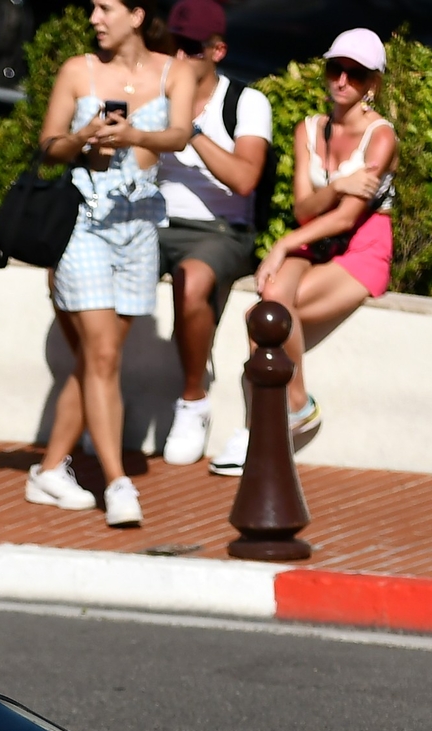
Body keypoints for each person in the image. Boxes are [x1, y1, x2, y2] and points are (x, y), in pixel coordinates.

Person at [24, 0, 196, 528]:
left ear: (137, 15)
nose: (95, 18)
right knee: (100, 355)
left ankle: (49, 469)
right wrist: (82, 139)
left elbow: (181, 134)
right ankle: (118, 484)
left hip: (140, 225)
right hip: (84, 223)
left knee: (101, 358)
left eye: (105, 7)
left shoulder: (175, 71)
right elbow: (49, 144)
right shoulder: (78, 71)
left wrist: (135, 136)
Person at [214, 28, 390, 478]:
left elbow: (346, 219)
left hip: (362, 248)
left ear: (373, 83)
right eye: (336, 68)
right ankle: (297, 404)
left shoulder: (381, 138)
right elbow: (304, 209)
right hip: (314, 241)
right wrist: (337, 185)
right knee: (267, 306)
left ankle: (265, 427)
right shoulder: (308, 129)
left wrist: (283, 243)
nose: (343, 80)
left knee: (276, 313)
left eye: (356, 73)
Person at [151, 0, 268, 470]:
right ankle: (98, 398)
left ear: (217, 51)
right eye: (172, 47)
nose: (179, 58)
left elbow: (244, 179)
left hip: (221, 229)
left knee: (193, 279)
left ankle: (193, 400)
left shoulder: (246, 102)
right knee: (77, 272)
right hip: (152, 222)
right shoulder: (151, 94)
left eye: (190, 49)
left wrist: (189, 131)